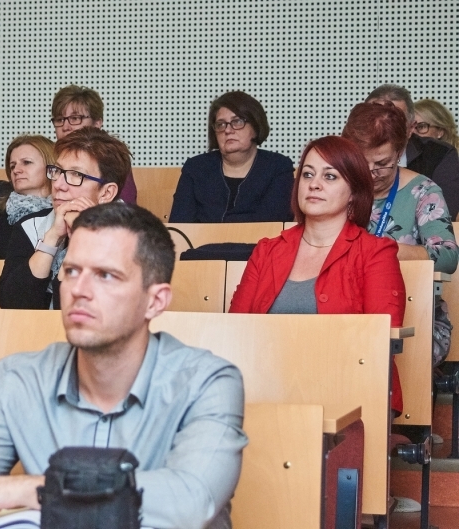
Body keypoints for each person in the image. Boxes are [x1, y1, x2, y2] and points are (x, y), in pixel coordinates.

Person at [0, 202, 247, 529]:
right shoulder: (21, 378)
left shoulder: (208, 381)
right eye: (72, 271)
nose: (79, 289)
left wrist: (30, 490)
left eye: (106, 275)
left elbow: (192, 500)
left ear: (155, 301)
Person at [229, 136, 406, 414]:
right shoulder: (267, 251)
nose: (314, 183)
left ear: (354, 192)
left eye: (330, 176)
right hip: (265, 394)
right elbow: (235, 332)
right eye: (308, 174)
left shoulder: (375, 253)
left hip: (350, 399)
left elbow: (379, 342)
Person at [0, 127, 127, 309]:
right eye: (57, 171)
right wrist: (51, 238)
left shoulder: (130, 237)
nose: (58, 184)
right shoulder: (30, 226)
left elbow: (74, 307)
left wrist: (80, 240)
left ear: (106, 192)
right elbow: (11, 302)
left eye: (77, 175)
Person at [342, 102, 459, 275]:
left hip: (408, 295)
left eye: (381, 164)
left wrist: (383, 251)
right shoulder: (335, 185)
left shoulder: (422, 191)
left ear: (399, 152)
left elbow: (448, 257)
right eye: (360, 161)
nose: (370, 173)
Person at [169, 91, 294, 223]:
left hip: (259, 244)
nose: (228, 130)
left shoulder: (278, 167)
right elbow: (179, 226)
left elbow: (273, 224)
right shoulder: (195, 168)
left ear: (256, 126)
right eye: (221, 124)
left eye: (237, 121)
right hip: (200, 244)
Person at [366, 84, 459, 219]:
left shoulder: (440, 154)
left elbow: (443, 214)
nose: (383, 128)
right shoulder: (346, 153)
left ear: (410, 129)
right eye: (373, 120)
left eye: (394, 122)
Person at [50, 84, 137, 204]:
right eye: (60, 119)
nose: (65, 127)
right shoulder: (48, 156)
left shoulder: (110, 158)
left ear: (97, 123)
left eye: (75, 118)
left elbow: (125, 209)